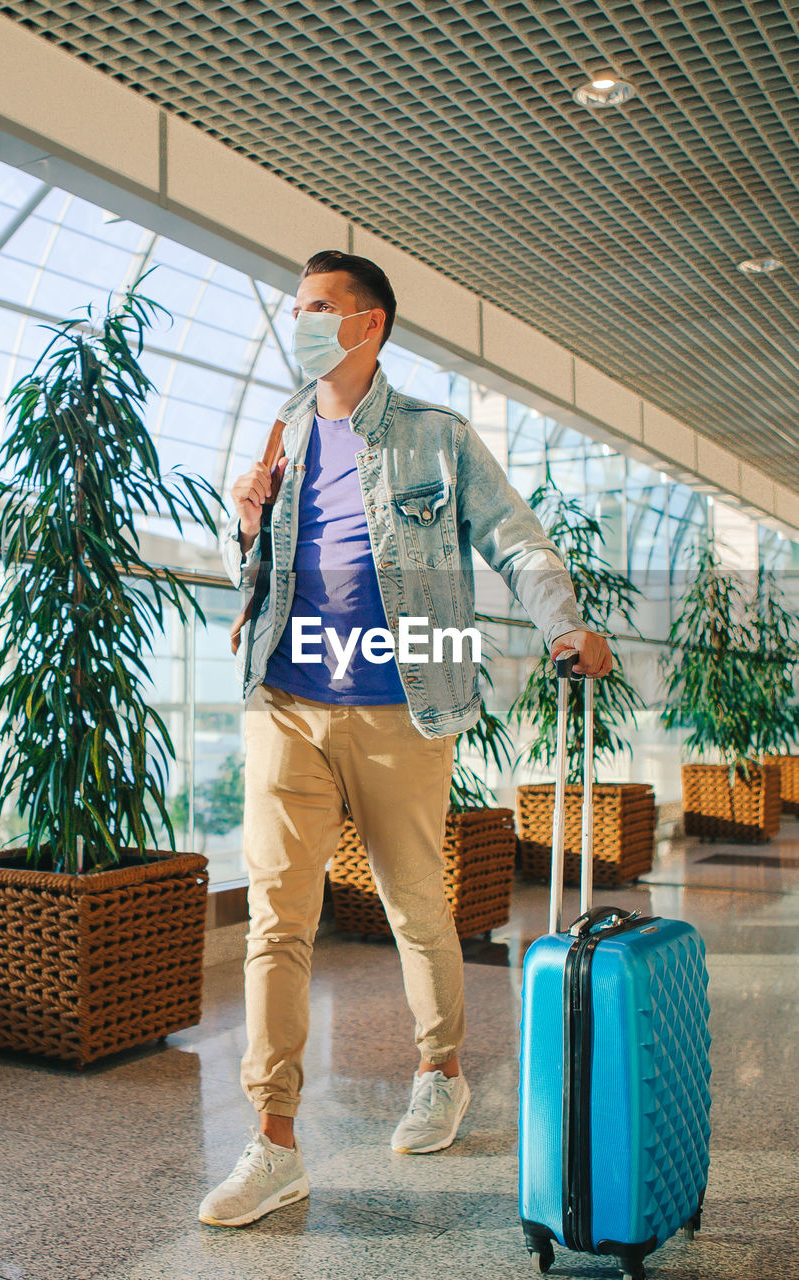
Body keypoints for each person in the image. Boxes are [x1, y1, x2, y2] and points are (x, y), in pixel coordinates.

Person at [200, 250, 612, 1228]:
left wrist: (562, 623)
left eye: (317, 308)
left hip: (402, 704)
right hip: (285, 699)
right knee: (276, 918)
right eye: (296, 307)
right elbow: (252, 580)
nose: (301, 322)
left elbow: (516, 540)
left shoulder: (436, 438)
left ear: (369, 323)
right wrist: (246, 521)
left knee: (414, 903)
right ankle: (274, 1139)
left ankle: (439, 1067)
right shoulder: (285, 434)